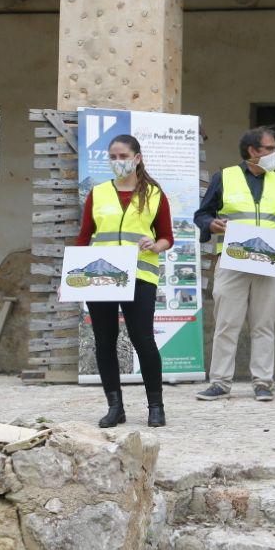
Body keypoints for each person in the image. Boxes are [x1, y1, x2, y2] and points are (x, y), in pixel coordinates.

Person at [194, 126, 275, 402]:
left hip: (269, 262)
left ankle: (263, 382)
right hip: (233, 261)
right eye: (270, 148)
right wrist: (212, 224)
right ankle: (219, 382)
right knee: (227, 323)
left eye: (274, 148)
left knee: (264, 324)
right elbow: (202, 215)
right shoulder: (224, 177)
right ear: (253, 151)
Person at [75, 134, 172, 428]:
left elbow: (168, 236)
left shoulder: (155, 194)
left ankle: (156, 407)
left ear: (137, 158)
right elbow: (84, 237)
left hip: (140, 274)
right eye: (113, 157)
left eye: (123, 157)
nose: (118, 162)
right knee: (104, 342)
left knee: (143, 339)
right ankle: (115, 406)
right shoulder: (98, 193)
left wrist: (156, 245)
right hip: (100, 277)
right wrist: (71, 276)